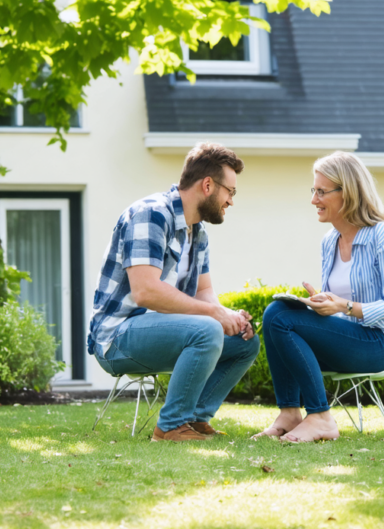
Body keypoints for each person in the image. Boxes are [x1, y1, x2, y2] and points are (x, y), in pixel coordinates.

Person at [87, 142, 260, 442]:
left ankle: (193, 419)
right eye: (230, 191)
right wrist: (213, 316)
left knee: (245, 342)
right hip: (117, 337)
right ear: (208, 185)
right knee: (206, 329)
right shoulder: (151, 214)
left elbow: (204, 292)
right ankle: (169, 427)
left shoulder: (198, 233)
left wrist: (228, 317)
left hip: (161, 333)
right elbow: (145, 292)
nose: (231, 201)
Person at [255, 151, 384, 443]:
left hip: (383, 344)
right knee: (276, 312)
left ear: (348, 193)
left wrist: (345, 307)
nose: (314, 200)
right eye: (313, 190)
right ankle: (290, 414)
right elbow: (337, 309)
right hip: (350, 338)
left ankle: (321, 418)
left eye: (321, 191)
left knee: (279, 315)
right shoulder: (329, 241)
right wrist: (321, 305)